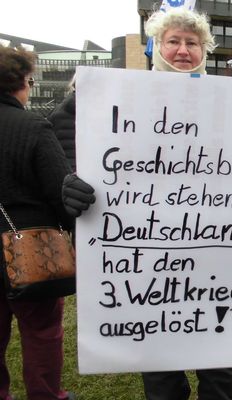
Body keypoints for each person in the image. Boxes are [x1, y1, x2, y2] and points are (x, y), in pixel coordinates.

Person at [60, 7, 232, 400]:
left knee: (222, 382)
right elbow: (64, 140)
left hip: (221, 269)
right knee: (162, 384)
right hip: (147, 275)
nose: (183, 50)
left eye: (192, 42)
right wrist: (69, 182)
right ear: (157, 46)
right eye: (174, 41)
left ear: (204, 50)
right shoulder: (113, 100)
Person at [0, 47, 75, 400]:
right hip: (31, 251)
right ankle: (46, 395)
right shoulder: (31, 125)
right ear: (19, 83)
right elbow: (61, 190)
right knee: (42, 332)